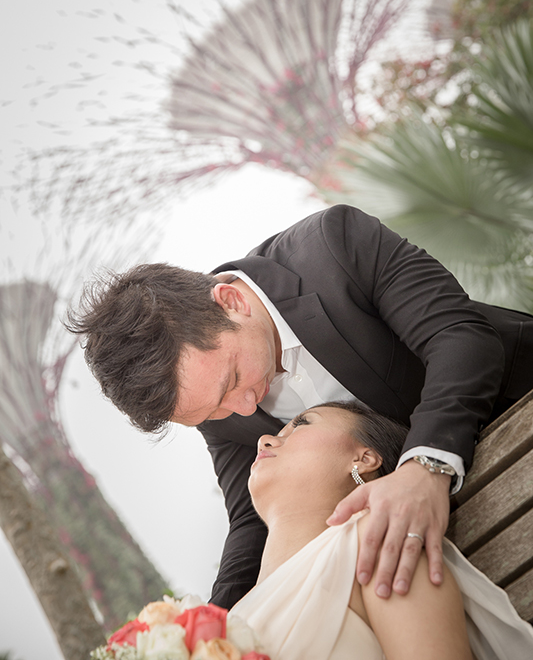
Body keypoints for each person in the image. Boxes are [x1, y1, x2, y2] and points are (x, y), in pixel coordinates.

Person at [67, 205, 533, 609]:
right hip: (434, 549)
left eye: (232, 379)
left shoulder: (335, 244)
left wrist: (425, 466)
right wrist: (214, 625)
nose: (245, 405)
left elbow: (459, 338)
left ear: (230, 300)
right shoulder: (214, 402)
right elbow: (252, 518)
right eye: (214, 411)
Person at [230, 401, 533, 660]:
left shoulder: (375, 540)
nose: (265, 440)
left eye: (301, 424)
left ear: (364, 459)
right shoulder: (228, 620)